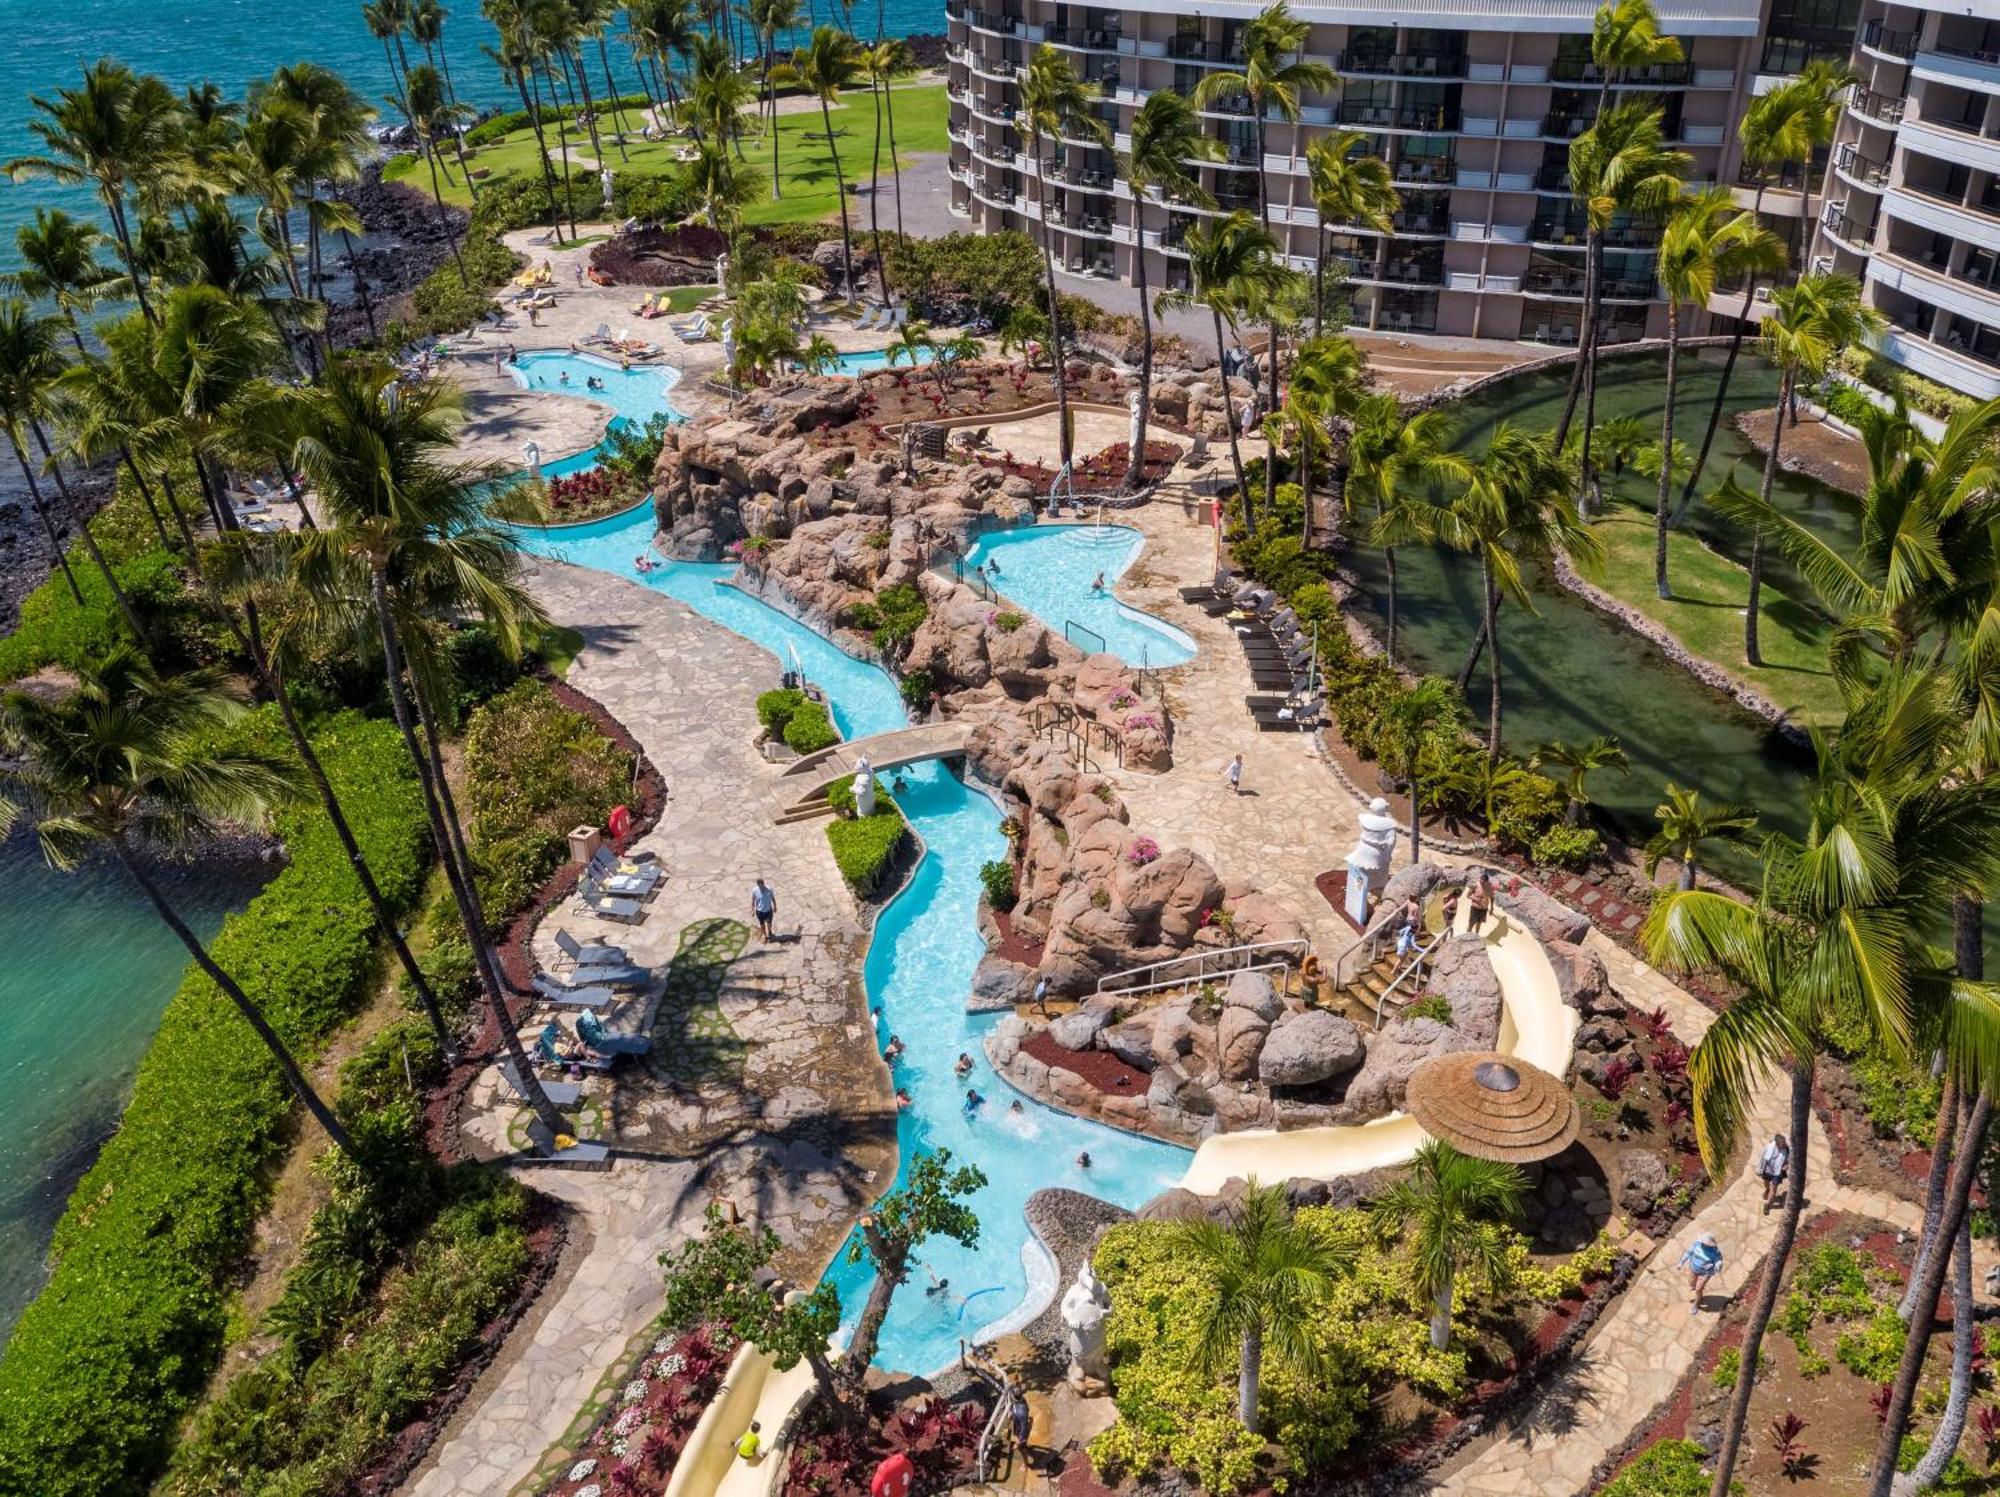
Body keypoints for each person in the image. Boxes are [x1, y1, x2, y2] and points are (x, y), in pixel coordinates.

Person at [1679, 1232, 1723, 1308]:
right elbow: (1689, 1252)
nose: (1703, 1243)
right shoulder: (1696, 1244)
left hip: (1705, 1273)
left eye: (1705, 1242)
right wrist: (1681, 1262)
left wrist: (1718, 1264)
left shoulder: (1715, 1251)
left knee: (1698, 1289)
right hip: (1694, 1269)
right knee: (1691, 1283)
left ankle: (1698, 1300)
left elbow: (1718, 1260)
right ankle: (1697, 1286)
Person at [1758, 1132, 1791, 1208]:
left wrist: (1787, 1165)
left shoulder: (1787, 1150)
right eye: (1781, 1144)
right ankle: (1767, 1189)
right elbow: (1763, 1158)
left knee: (1774, 1191)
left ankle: (1767, 1205)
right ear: (1777, 1143)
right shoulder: (1769, 1147)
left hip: (1777, 1173)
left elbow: (1789, 1160)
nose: (1783, 1145)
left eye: (1784, 1143)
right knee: (1766, 1183)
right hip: (1767, 1170)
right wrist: (1760, 1168)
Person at [1395, 894, 1424, 959]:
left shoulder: (1408, 901)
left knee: (1407, 933)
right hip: (1413, 921)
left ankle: (1409, 946)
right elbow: (1417, 917)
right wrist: (1419, 926)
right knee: (1412, 934)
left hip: (1408, 919)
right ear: (1415, 898)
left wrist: (1397, 910)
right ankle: (1411, 947)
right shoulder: (1416, 906)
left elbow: (1401, 907)